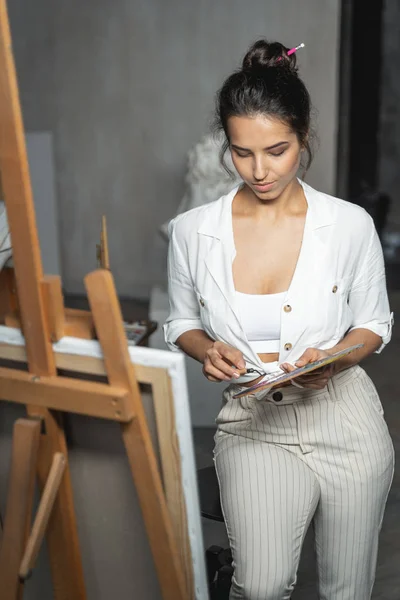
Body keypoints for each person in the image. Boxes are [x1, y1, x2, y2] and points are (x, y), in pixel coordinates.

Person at [163, 39, 394, 600]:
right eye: (242, 153)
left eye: (277, 149)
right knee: (261, 587)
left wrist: (334, 360)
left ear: (304, 135)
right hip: (252, 424)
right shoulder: (193, 231)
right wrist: (204, 349)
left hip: (347, 425)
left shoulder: (349, 225)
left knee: (347, 590)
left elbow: (374, 325)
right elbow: (180, 321)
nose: (260, 170)